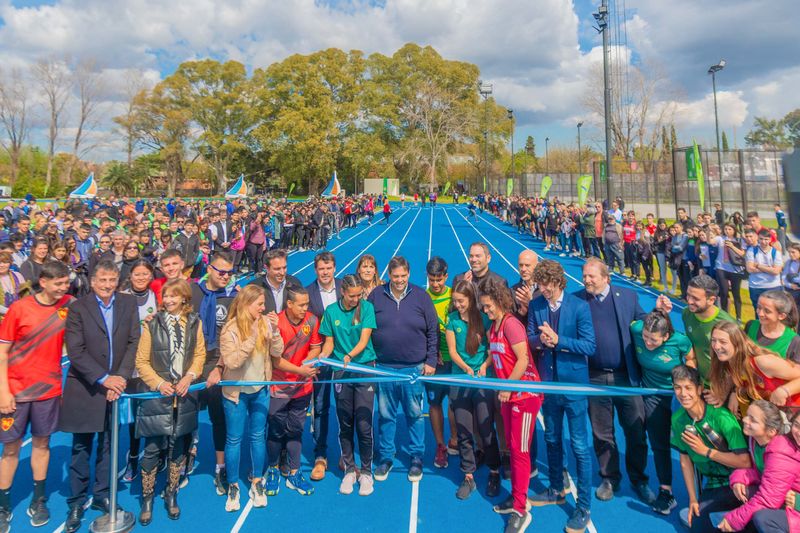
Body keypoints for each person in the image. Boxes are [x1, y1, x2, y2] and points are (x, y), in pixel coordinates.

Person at [60, 260, 141, 533]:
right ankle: (77, 500)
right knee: (81, 447)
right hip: (87, 388)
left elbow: (133, 341)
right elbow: (76, 351)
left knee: (109, 443)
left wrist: (120, 379)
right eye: (102, 280)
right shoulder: (78, 308)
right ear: (92, 282)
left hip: (116, 388)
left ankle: (102, 493)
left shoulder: (128, 304)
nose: (107, 286)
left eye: (112, 280)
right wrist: (105, 379)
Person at [574, 257, 655, 504]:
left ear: (606, 278)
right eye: (584, 276)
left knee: (636, 429)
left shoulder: (627, 297)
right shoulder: (577, 299)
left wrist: (659, 312)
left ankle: (639, 479)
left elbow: (648, 325)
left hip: (625, 376)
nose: (586, 280)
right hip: (594, 377)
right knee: (602, 432)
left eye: (592, 276)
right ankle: (609, 477)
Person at [0, 261, 72, 530]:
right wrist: (3, 391)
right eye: (59, 283)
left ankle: (39, 500)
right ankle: (3, 504)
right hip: (15, 393)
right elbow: (2, 353)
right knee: (10, 449)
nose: (64, 288)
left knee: (42, 445)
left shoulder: (68, 304)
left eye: (66, 283)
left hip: (49, 391)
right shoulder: (19, 309)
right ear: (43, 282)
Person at [527, 260, 596, 533]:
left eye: (547, 285)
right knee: (552, 438)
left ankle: (584, 506)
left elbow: (589, 345)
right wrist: (539, 342)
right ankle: (556, 487)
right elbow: (530, 336)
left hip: (574, 386)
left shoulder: (579, 307)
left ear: (558, 282)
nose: (543, 290)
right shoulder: (536, 305)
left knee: (579, 446)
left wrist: (559, 342)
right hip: (549, 385)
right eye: (540, 285)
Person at [134, 278, 206, 525]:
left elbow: (199, 355)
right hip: (159, 397)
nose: (170, 300)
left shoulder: (195, 323)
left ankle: (172, 493)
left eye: (175, 296)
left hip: (183, 397)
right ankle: (147, 498)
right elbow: (141, 362)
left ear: (185, 298)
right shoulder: (152, 324)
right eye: (166, 296)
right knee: (153, 448)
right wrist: (159, 384)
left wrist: (189, 376)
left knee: (178, 447)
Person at [368, 256, 438, 483]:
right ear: (389, 275)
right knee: (386, 415)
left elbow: (432, 331)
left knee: (415, 414)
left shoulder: (421, 297)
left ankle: (416, 456)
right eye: (395, 276)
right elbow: (366, 329)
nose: (399, 280)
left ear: (409, 274)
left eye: (403, 276)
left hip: (414, 369)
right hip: (385, 368)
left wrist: (431, 361)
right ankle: (387, 456)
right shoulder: (376, 295)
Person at [219, 285, 284, 512]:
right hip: (235, 394)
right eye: (259, 304)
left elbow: (277, 352)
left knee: (257, 436)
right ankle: (234, 484)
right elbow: (232, 361)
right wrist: (252, 337)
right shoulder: (230, 329)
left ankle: (257, 481)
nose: (263, 308)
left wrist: (274, 332)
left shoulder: (265, 323)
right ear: (247, 305)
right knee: (234, 439)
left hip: (260, 390)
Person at [671, 364, 751, 533]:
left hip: (739, 481)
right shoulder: (677, 420)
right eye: (677, 388)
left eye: (688, 388)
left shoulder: (721, 417)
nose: (683, 394)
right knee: (699, 526)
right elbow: (685, 459)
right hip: (714, 484)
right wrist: (693, 499)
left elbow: (745, 462)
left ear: (700, 389)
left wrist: (705, 451)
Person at [318, 274, 378, 496]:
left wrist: (349, 356)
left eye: (359, 295)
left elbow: (364, 340)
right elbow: (329, 343)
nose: (356, 299)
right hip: (341, 372)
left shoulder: (367, 308)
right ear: (342, 292)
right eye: (352, 296)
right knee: (345, 423)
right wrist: (322, 357)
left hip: (363, 369)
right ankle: (350, 471)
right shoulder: (332, 312)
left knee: (363, 423)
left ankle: (366, 472)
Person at [631, 310, 694, 515]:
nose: (648, 343)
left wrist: (686, 380)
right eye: (645, 338)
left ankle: (702, 494)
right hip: (653, 398)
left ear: (666, 337)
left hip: (679, 399)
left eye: (654, 340)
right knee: (659, 445)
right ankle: (666, 492)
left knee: (688, 445)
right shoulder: (637, 328)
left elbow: (691, 358)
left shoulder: (680, 341)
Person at [189, 250, 238, 493]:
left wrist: (220, 366)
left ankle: (220, 467)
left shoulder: (233, 296)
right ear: (209, 268)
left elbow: (237, 334)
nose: (225, 276)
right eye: (221, 271)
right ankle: (184, 458)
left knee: (219, 418)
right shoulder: (193, 292)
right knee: (187, 416)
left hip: (219, 364)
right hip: (191, 365)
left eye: (229, 273)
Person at [445, 280, 499, 500]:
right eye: (455, 301)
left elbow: (492, 348)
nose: (458, 305)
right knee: (464, 430)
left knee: (486, 429)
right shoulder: (452, 321)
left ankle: (495, 470)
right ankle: (468, 475)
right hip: (460, 379)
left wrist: (484, 367)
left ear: (471, 299)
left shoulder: (484, 319)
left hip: (482, 380)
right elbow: (452, 351)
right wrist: (466, 368)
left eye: (461, 301)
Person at [265, 286, 321, 497]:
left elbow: (315, 346)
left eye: (307, 304)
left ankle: (295, 472)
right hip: (278, 388)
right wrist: (301, 370)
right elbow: (275, 360)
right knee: (276, 430)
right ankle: (273, 469)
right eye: (301, 305)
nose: (305, 308)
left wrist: (311, 358)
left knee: (296, 429)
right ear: (289, 304)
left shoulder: (312, 320)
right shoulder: (276, 323)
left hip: (302, 387)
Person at [719, 402, 800, 532]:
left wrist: (798, 502)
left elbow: (768, 499)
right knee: (744, 493)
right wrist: (741, 476)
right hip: (784, 498)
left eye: (753, 420)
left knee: (764, 518)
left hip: (792, 507)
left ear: (771, 431)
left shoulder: (781, 452)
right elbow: (765, 473)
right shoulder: (758, 442)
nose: (745, 420)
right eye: (797, 425)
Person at [119, 260, 158, 482]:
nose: (141, 278)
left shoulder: (157, 296)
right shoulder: (122, 297)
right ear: (130, 276)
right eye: (137, 274)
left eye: (145, 274)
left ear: (151, 276)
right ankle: (133, 458)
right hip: (131, 365)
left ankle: (154, 455)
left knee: (152, 412)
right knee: (134, 417)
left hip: (153, 364)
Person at [708, 321, 800, 413]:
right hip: (775, 415)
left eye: (723, 342)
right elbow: (742, 380)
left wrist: (784, 391)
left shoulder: (762, 362)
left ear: (737, 344)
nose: (716, 346)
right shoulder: (731, 361)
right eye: (713, 340)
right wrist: (730, 393)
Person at [305, 251, 342, 481]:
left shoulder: (344, 287)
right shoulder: (308, 294)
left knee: (345, 408)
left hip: (344, 358)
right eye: (321, 269)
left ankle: (345, 454)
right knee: (319, 408)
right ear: (316, 270)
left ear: (334, 268)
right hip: (320, 359)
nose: (325, 272)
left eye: (328, 268)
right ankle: (320, 456)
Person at [424, 257, 459, 468]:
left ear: (446, 276)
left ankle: (455, 439)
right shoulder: (423, 297)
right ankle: (439, 445)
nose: (435, 284)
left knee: (455, 403)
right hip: (434, 362)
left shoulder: (455, 296)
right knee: (434, 403)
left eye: (439, 279)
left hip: (455, 361)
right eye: (431, 280)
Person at [745, 289, 800, 363]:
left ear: (781, 316)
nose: (760, 313)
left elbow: (796, 372)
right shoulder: (751, 326)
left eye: (767, 311)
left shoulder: (794, 341)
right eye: (759, 307)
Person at [746, 229, 783, 310]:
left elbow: (776, 271)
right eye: (761, 239)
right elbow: (749, 269)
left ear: (770, 239)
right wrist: (770, 269)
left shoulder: (776, 253)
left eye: (766, 239)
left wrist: (759, 266)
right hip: (756, 286)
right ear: (758, 239)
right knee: (758, 311)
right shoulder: (752, 250)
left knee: (774, 310)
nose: (763, 242)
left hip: (773, 286)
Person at [256, 249, 301, 314]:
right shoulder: (255, 287)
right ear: (267, 268)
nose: (282, 273)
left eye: (284, 267)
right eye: (277, 269)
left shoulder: (295, 283)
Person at [0, 251, 25, 320]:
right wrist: (11, 312)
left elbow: (25, 296)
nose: (1, 265)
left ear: (10, 263)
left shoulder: (18, 275)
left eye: (5, 262)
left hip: (18, 317)